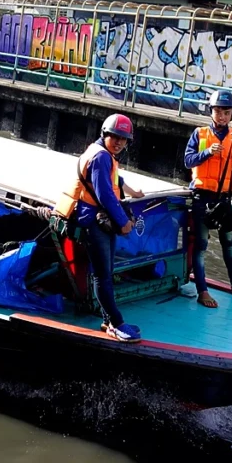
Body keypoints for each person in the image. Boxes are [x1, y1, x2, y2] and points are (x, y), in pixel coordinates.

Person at [54, 114, 145, 343]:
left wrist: (133, 193)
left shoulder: (104, 155)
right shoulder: (101, 157)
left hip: (101, 220)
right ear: (105, 134)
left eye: (123, 139)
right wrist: (123, 222)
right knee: (103, 275)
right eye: (114, 137)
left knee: (106, 271)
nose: (118, 142)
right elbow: (105, 195)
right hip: (94, 221)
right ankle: (116, 323)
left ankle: (107, 319)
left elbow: (115, 180)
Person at [183, 90, 232, 309]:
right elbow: (187, 160)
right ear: (211, 112)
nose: (222, 116)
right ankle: (202, 291)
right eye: (218, 112)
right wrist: (207, 153)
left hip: (224, 199)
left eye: (226, 112)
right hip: (202, 197)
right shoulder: (200, 134)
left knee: (229, 243)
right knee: (201, 245)